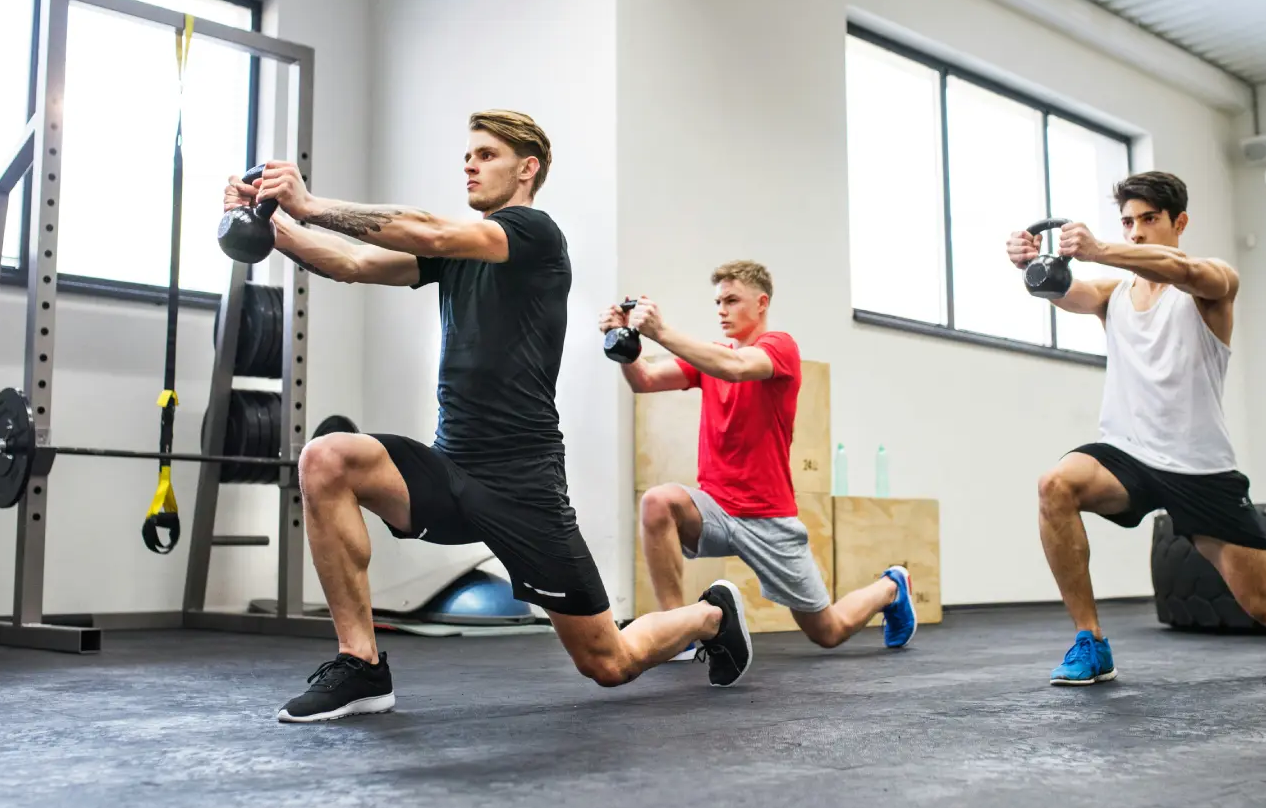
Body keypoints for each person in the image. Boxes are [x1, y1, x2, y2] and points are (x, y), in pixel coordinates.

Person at [224, 110, 753, 722]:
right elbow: (353, 264)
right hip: (452, 469)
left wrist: (310, 204)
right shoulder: (457, 254)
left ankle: (711, 615)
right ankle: (362, 666)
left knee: (607, 662)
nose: (469, 165)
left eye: (486, 155)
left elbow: (429, 232)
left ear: (527, 169)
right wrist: (268, 219)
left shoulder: (532, 234)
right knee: (328, 457)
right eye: (467, 156)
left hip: (524, 485)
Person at [1005, 171, 1266, 686]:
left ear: (1179, 222)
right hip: (1126, 455)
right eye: (1127, 222)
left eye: (1148, 220)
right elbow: (1066, 291)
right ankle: (1090, 641)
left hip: (1200, 469)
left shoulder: (1212, 282)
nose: (1135, 231)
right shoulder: (1113, 294)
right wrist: (1032, 262)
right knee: (1056, 484)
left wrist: (1101, 248)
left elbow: (1179, 269)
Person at [600, 261, 917, 656]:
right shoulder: (711, 356)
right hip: (716, 507)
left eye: (732, 300)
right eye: (718, 301)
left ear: (762, 302)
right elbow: (644, 381)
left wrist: (661, 331)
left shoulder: (779, 348)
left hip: (768, 517)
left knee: (828, 631)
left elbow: (736, 368)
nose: (721, 310)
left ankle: (891, 586)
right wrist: (622, 342)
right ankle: (677, 630)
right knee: (657, 502)